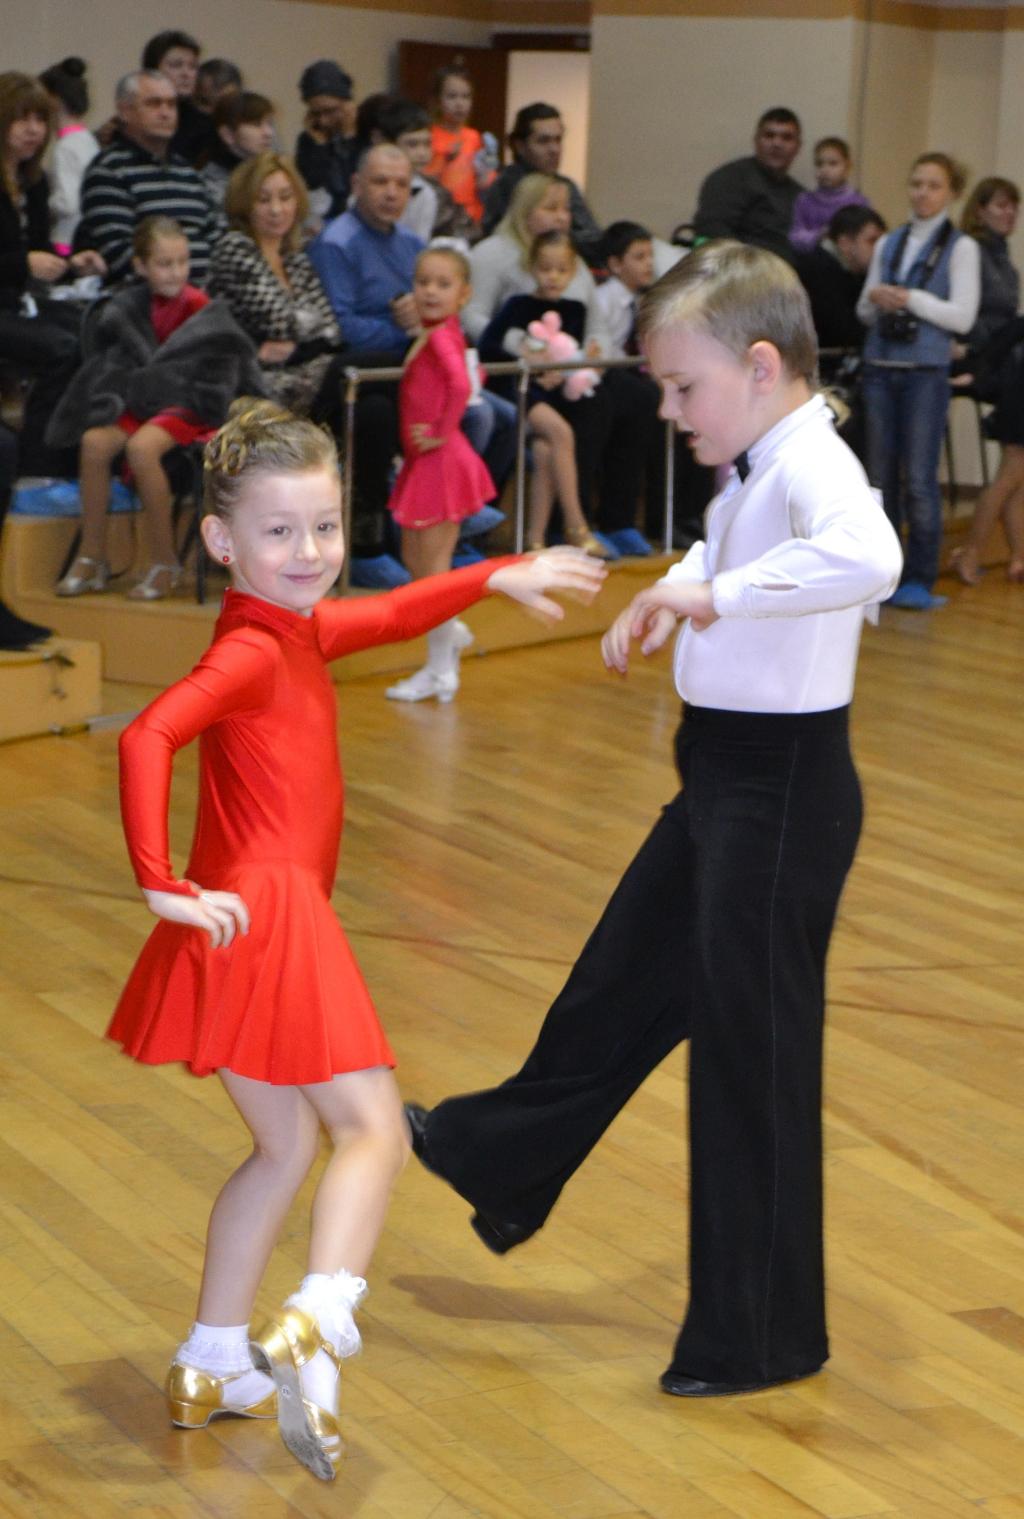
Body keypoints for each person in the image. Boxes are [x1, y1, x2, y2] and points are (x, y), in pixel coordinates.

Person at [406, 239, 902, 1401]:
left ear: (762, 367)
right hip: (724, 778)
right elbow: (736, 544)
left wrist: (711, 595)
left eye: (683, 387)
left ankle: (760, 1335)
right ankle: (496, 1154)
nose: (668, 410)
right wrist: (677, 588)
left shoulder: (812, 459)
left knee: (747, 1065)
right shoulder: (760, 462)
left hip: (779, 794)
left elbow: (868, 555)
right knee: (617, 982)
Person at [106, 396, 606, 1480]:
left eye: (326, 527)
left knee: (286, 1146)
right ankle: (316, 1321)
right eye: (279, 531)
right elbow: (147, 734)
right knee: (375, 1129)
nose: (310, 551)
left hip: (237, 923)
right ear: (221, 539)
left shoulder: (293, 630)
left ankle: (211, 1359)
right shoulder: (252, 651)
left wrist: (496, 573)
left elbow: (390, 612)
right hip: (272, 912)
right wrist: (157, 881)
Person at [48, 216, 264, 601]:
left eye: (182, 262)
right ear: (141, 265)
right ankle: (92, 556)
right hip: (142, 402)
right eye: (165, 264)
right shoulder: (128, 308)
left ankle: (165, 561)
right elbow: (113, 367)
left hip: (191, 404)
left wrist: (164, 389)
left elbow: (220, 376)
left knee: (142, 448)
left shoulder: (202, 309)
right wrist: (127, 391)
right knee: (94, 443)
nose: (176, 272)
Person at [858, 151, 979, 609]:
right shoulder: (889, 242)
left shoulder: (961, 248)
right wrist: (878, 298)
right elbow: (863, 310)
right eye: (916, 184)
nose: (922, 194)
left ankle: (920, 576)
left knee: (920, 479)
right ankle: (882, 574)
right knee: (879, 478)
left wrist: (911, 299)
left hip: (925, 373)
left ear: (951, 193)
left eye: (933, 186)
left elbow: (963, 317)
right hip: (879, 366)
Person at [384, 248, 495, 702]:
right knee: (416, 561)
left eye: (443, 284)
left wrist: (438, 431)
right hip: (426, 460)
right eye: (423, 281)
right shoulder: (436, 332)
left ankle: (439, 670)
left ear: (463, 293)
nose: (430, 291)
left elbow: (462, 385)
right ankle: (449, 633)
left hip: (442, 462)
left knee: (432, 573)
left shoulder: (443, 337)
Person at [480, 230, 610, 558]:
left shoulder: (575, 310)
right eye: (545, 269)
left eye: (561, 270)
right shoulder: (517, 305)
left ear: (572, 271)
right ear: (532, 268)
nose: (553, 277)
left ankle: (534, 539)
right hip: (519, 390)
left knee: (544, 450)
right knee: (561, 433)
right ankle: (576, 525)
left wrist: (568, 368)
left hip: (552, 394)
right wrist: (524, 359)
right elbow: (487, 347)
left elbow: (572, 353)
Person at [0, 71, 105, 476]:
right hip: (6, 304)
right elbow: (23, 260)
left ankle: (73, 457)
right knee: (61, 348)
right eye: (21, 119)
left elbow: (41, 250)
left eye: (40, 120)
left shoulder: (34, 181)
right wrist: (24, 264)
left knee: (95, 331)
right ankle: (36, 465)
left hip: (19, 301)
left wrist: (73, 261)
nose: (33, 130)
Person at [596, 219, 712, 549]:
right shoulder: (604, 299)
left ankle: (691, 513)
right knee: (652, 412)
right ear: (615, 264)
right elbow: (604, 351)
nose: (649, 264)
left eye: (650, 256)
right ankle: (660, 518)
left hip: (645, 381)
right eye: (638, 257)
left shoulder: (650, 301)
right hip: (614, 380)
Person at [209, 153, 342, 415]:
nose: (276, 209)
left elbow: (333, 331)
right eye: (263, 200)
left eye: (285, 197)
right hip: (253, 382)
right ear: (245, 204)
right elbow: (279, 322)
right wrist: (311, 337)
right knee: (357, 376)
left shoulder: (295, 259)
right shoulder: (235, 248)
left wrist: (298, 345)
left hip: (306, 375)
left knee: (374, 404)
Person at [79, 70, 224, 288]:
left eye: (171, 105)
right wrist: (183, 292)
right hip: (146, 299)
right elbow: (118, 254)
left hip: (206, 296)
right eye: (154, 104)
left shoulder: (188, 172)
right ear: (125, 111)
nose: (165, 113)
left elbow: (218, 240)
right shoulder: (109, 170)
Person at [948, 177, 1023, 585]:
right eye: (1000, 205)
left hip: (1009, 365)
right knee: (1014, 468)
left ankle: (1018, 556)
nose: (1010, 213)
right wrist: (976, 360)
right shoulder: (971, 251)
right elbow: (972, 318)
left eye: (1013, 206)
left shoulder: (1003, 258)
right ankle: (972, 550)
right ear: (979, 210)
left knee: (1018, 471)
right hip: (996, 366)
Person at [481, 103, 603, 263]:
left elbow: (593, 240)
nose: (554, 149)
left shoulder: (566, 185)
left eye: (558, 140)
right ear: (520, 146)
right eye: (543, 141)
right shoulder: (506, 185)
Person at [693, 107, 804, 261]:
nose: (777, 143)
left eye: (786, 138)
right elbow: (712, 233)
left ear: (798, 146)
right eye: (769, 135)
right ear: (756, 140)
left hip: (790, 271)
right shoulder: (730, 178)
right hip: (740, 269)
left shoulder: (800, 196)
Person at [377, 98, 477, 246]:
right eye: (412, 144)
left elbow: (466, 233)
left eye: (427, 144)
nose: (422, 153)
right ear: (387, 143)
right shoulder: (370, 187)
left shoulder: (435, 191)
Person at [796, 204, 886, 352]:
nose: (880, 249)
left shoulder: (854, 272)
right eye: (872, 241)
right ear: (845, 243)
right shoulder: (818, 270)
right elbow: (841, 331)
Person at [38, 57, 99, 255]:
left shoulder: (65, 147)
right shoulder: (89, 141)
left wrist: (41, 204)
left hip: (65, 241)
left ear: (53, 100)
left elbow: (67, 202)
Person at [426, 64, 495, 226]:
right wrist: (445, 160)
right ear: (437, 100)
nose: (460, 104)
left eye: (466, 97)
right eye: (452, 97)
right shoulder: (429, 136)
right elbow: (425, 179)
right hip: (441, 213)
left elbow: (484, 174)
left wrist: (487, 175)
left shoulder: (474, 136)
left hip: (472, 214)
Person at [295, 60, 356, 223]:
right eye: (316, 113)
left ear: (348, 105)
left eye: (330, 111)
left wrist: (349, 137)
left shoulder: (367, 134)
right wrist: (319, 146)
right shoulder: (308, 141)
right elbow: (311, 185)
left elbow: (353, 185)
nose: (323, 121)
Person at [789, 137, 870, 254]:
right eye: (819, 164)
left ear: (848, 166)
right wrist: (819, 235)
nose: (825, 170)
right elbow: (795, 237)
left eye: (833, 164)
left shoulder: (859, 202)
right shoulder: (805, 200)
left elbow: (866, 237)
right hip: (812, 260)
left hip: (848, 260)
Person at [198, 91, 275, 209]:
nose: (269, 133)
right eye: (256, 124)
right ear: (228, 134)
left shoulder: (273, 174)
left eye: (269, 123)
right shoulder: (209, 185)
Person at [142, 30, 208, 165]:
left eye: (193, 66)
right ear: (152, 71)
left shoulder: (206, 127)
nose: (186, 74)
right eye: (176, 65)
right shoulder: (132, 121)